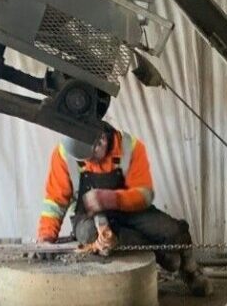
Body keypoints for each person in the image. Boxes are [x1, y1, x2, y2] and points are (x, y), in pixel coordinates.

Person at [36, 121, 212, 296]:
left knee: (172, 230)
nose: (89, 163)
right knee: (90, 234)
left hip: (130, 209)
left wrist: (111, 199)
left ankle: (190, 269)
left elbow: (144, 195)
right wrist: (46, 236)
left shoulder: (130, 147)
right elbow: (55, 201)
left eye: (92, 157)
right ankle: (160, 253)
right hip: (87, 216)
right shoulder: (65, 153)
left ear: (102, 140)